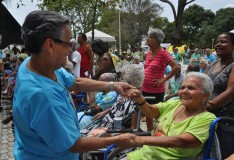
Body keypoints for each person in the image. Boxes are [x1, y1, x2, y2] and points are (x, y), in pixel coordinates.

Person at [13, 10, 137, 160]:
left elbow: (75, 82)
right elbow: (75, 145)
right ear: (50, 45)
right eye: (68, 43)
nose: (71, 49)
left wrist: (114, 85)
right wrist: (117, 140)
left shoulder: (35, 64)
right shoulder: (44, 97)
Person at [126, 72, 216, 160]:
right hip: (139, 155)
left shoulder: (207, 118)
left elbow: (182, 141)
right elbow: (151, 111)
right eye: (182, 87)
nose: (184, 91)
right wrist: (140, 100)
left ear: (205, 95)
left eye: (191, 88)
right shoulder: (175, 103)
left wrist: (139, 140)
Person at [81, 64, 144, 136]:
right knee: (79, 135)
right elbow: (115, 106)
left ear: (128, 82)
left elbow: (133, 128)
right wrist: (104, 112)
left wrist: (113, 134)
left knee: (81, 139)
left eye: (121, 78)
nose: (119, 80)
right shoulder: (122, 93)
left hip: (110, 133)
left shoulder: (135, 100)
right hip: (102, 126)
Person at [142, 28, 180, 131]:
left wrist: (163, 80)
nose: (147, 39)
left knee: (157, 115)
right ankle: (149, 134)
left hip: (156, 90)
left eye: (150, 37)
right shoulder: (148, 52)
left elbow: (176, 67)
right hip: (145, 88)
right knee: (147, 113)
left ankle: (160, 134)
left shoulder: (163, 53)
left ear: (157, 41)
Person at [206, 32, 234, 159]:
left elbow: (230, 93)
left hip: (225, 120)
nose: (218, 44)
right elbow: (201, 82)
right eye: (217, 42)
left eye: (223, 42)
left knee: (222, 153)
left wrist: (207, 106)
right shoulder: (213, 64)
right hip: (207, 116)